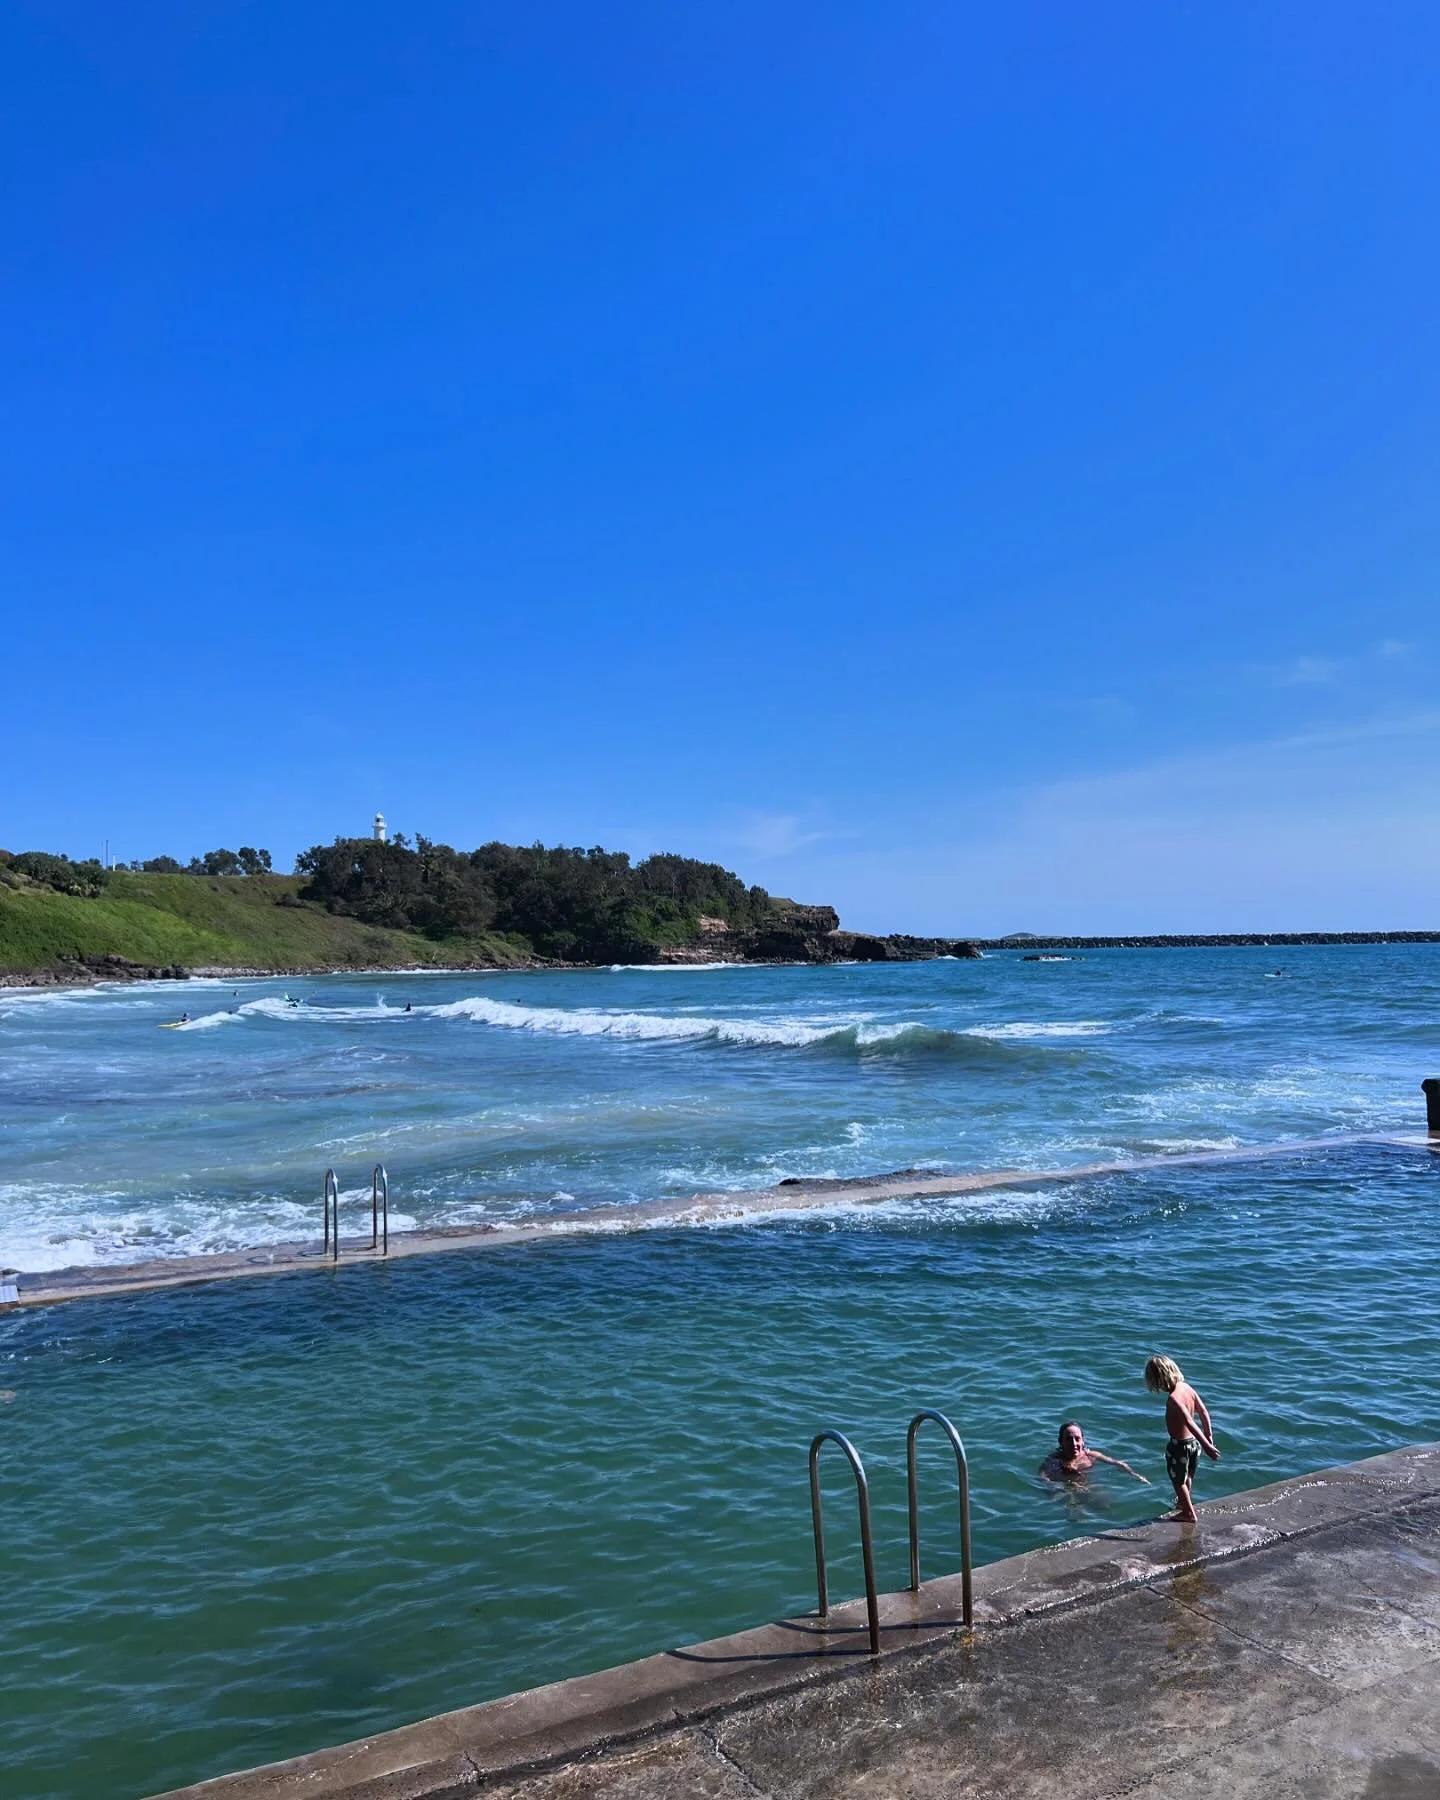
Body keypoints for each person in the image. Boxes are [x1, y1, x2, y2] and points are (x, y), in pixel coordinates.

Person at [1144, 1354, 1220, 1522]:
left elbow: (1189, 1421)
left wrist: (1206, 1444)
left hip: (1179, 1446)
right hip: (1193, 1444)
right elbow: (1203, 1411)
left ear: (1159, 1380)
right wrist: (1208, 1435)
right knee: (1187, 1476)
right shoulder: (1186, 1387)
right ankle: (1184, 1504)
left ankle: (1189, 1513)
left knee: (1177, 1481)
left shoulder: (1173, 1399)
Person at [1040, 1420, 1149, 1485]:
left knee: (1104, 1504)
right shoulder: (1055, 1459)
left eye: (1077, 1439)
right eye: (1069, 1439)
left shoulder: (1091, 1455)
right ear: (1061, 1442)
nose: (1074, 1443)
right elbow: (1043, 1475)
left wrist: (1135, 1475)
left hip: (1088, 1486)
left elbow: (1117, 1463)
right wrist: (1053, 1486)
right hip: (1066, 1487)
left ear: (1083, 1441)